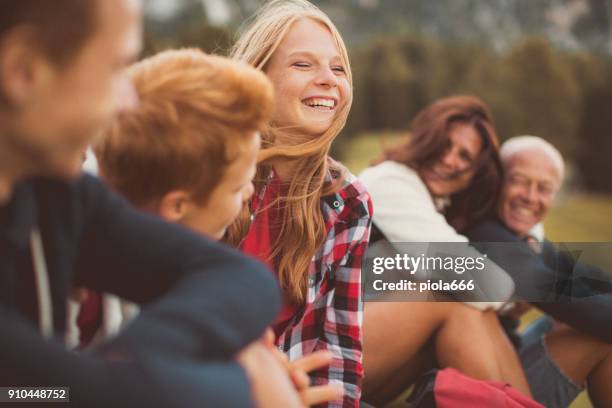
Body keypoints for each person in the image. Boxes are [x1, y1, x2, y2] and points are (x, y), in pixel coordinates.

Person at [0, 0, 312, 406]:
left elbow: (241, 280)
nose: (128, 103)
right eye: (115, 68)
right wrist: (244, 380)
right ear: (23, 71)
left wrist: (138, 374)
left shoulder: (51, 194)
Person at [229, 1, 373, 406]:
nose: (328, 79)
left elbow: (339, 344)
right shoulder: (211, 169)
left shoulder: (348, 200)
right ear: (256, 77)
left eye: (338, 68)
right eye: (303, 65)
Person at [358, 96, 529, 405]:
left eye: (464, 155)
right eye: (444, 144)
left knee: (466, 299)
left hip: (372, 361)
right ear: (425, 139)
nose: (450, 160)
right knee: (448, 293)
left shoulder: (435, 202)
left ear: (473, 174)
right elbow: (483, 283)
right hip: (324, 343)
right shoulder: (390, 182)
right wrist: (509, 298)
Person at [465, 135, 612, 408]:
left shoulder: (522, 238)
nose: (531, 197)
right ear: (497, 180)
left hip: (501, 360)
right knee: (596, 331)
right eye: (519, 181)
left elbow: (589, 279)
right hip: (470, 390)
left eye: (544, 188)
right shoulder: (484, 232)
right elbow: (574, 304)